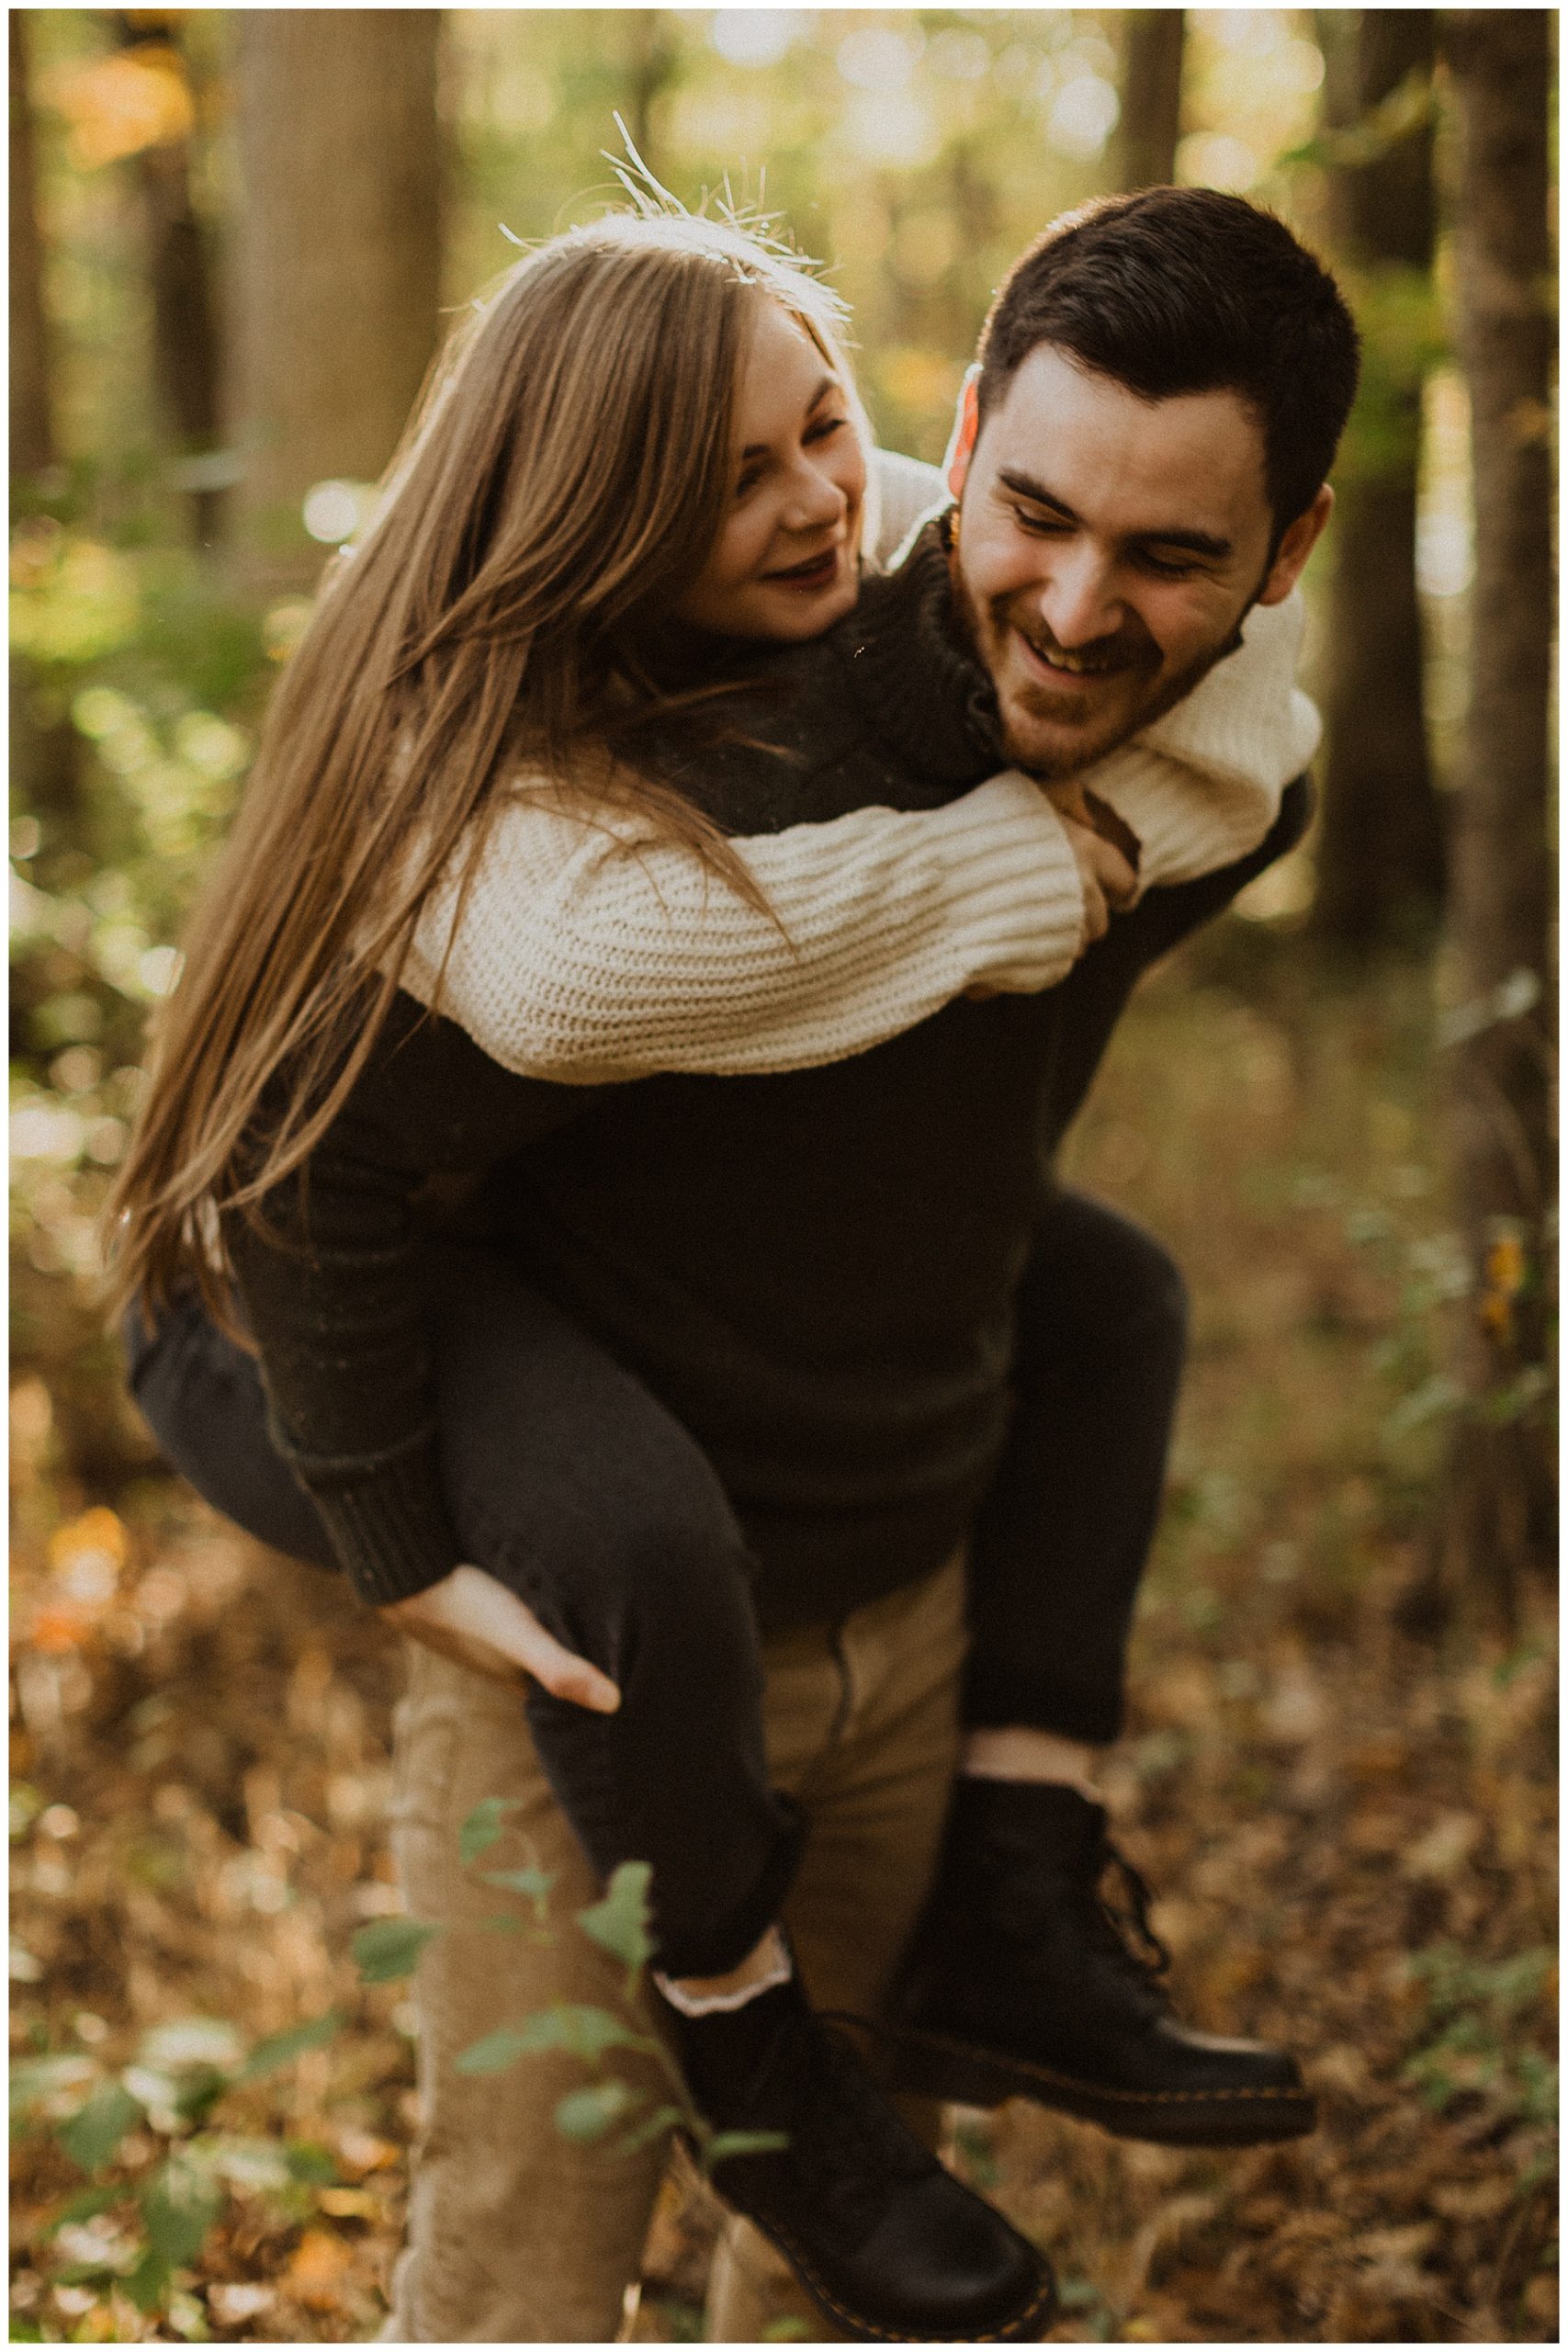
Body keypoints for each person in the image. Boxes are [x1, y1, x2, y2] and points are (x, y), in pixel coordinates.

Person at [109, 188, 1359, 2340]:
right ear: (968, 450)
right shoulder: (581, 825)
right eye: (1036, 514)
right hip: (593, 1652)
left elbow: (1262, 759)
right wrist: (403, 1544)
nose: (1072, 607)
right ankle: (731, 1998)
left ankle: (1019, 1866)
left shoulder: (1147, 761)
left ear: (1281, 558)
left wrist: (1054, 837)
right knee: (523, 2276)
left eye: (1169, 556)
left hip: (911, 1595)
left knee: (852, 2289)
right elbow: (316, 1156)